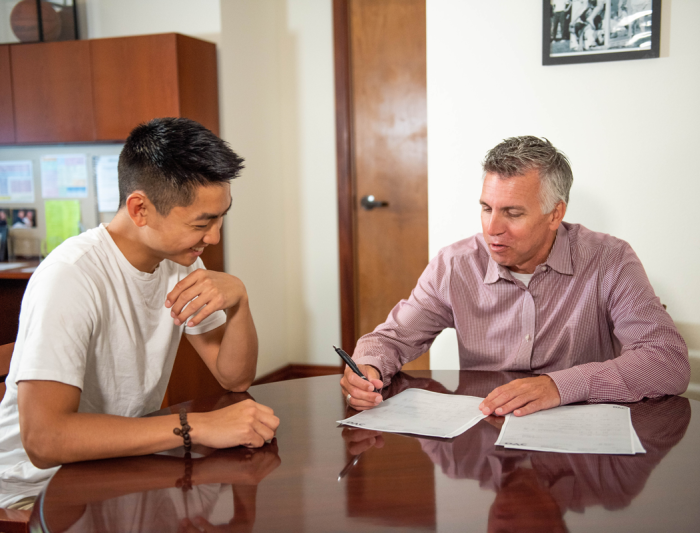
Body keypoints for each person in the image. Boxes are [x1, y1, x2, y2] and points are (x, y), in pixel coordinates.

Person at [0, 118, 279, 507]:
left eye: (221, 217)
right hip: (37, 493)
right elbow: (45, 441)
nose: (214, 237)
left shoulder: (180, 260)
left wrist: (240, 304)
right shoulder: (70, 276)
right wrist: (194, 426)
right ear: (140, 209)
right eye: (203, 222)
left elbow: (234, 377)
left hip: (116, 469)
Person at [340, 136, 689, 417]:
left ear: (555, 214)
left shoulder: (609, 259)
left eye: (513, 213)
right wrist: (368, 367)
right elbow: (393, 338)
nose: (492, 228)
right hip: (488, 430)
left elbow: (666, 361)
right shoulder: (455, 264)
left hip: (580, 440)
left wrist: (559, 385)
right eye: (486, 208)